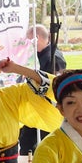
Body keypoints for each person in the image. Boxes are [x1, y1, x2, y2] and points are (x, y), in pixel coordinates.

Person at [17, 24, 67, 155]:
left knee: (47, 142)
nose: (28, 44)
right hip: (34, 105)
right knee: (26, 141)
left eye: (29, 40)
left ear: (36, 38)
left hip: (46, 108)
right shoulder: (39, 55)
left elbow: (52, 83)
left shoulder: (53, 58)